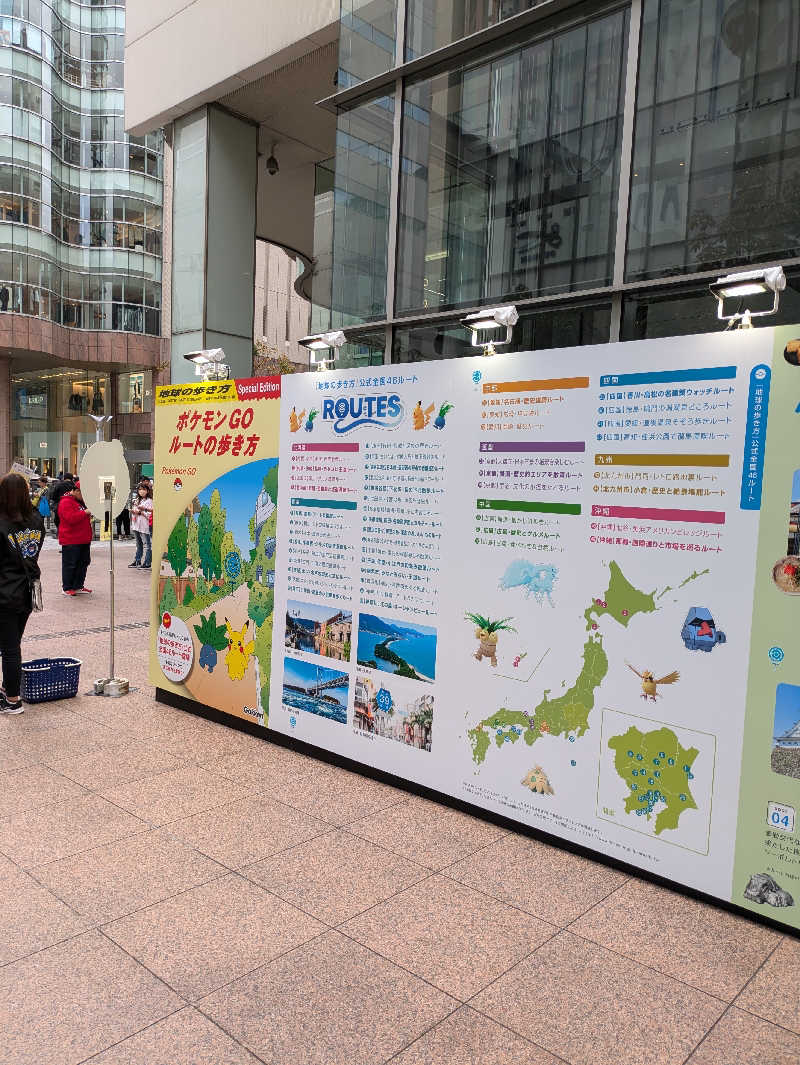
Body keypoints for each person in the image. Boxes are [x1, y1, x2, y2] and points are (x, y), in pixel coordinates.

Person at [0, 472, 45, 714]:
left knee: (9, 649)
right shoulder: (36, 520)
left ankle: (13, 700)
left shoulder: (2, 523)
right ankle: (8, 689)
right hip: (28, 589)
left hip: (5, 591)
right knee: (12, 644)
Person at [57, 480, 92, 596]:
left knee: (83, 563)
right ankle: (67, 587)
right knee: (70, 564)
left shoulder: (79, 501)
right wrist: (86, 512)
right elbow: (70, 519)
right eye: (84, 494)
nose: (84, 497)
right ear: (76, 491)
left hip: (83, 539)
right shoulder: (66, 502)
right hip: (71, 539)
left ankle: (78, 585)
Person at [129, 481, 153, 569]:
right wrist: (133, 511)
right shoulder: (138, 500)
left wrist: (141, 512)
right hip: (136, 525)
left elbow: (150, 515)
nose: (141, 491)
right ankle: (137, 561)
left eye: (143, 489)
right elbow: (136, 511)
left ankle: (147, 562)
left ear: (147, 490)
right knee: (138, 544)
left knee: (148, 545)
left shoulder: (150, 501)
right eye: (140, 489)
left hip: (145, 526)